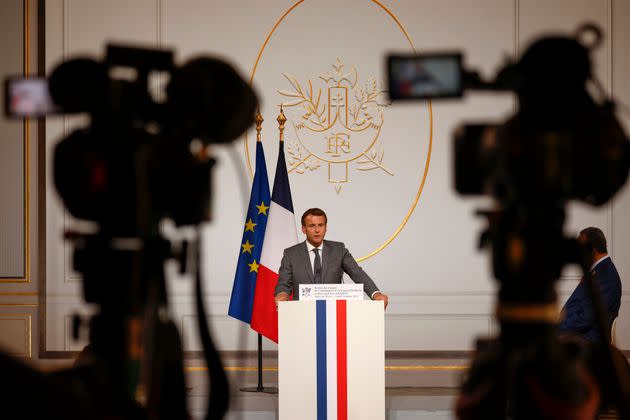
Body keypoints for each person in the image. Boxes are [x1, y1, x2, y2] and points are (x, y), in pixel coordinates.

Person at [274, 208, 389, 309]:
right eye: (312, 226)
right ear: (304, 229)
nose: (317, 230)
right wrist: (282, 295)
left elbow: (357, 273)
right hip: (301, 313)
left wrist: (376, 294)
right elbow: (284, 283)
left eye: (321, 225)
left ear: (326, 227)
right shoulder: (291, 254)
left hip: (334, 314)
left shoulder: (339, 249)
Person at [558, 227, 622, 343]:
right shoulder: (598, 270)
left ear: (592, 249)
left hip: (588, 338)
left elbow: (586, 318)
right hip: (577, 331)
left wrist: (558, 327)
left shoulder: (606, 275)